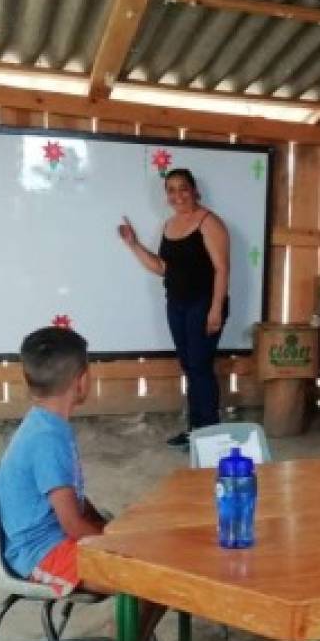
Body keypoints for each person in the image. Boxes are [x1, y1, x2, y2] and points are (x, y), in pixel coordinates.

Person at [0, 325, 192, 641]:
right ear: (83, 380)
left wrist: (118, 532)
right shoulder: (47, 437)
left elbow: (77, 507)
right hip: (42, 552)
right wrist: (117, 549)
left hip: (56, 538)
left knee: (157, 561)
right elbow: (69, 523)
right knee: (147, 575)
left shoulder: (49, 425)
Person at [118, 168, 230, 449]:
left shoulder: (209, 222)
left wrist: (215, 309)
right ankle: (196, 430)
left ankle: (208, 433)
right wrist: (133, 244)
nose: (177, 195)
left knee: (200, 367)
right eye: (171, 190)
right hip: (177, 304)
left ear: (194, 191)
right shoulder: (169, 226)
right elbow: (161, 268)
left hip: (203, 304)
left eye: (183, 188)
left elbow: (222, 268)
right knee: (190, 367)